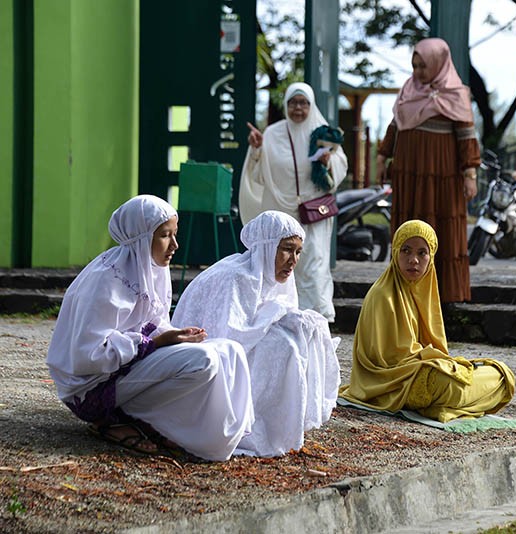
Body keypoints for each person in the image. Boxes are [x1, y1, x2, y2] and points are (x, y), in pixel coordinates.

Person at [46, 195, 254, 462]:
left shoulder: (152, 268)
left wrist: (173, 336)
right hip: (93, 389)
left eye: (174, 234)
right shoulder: (106, 279)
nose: (175, 245)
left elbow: (152, 323)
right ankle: (128, 421)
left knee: (230, 350)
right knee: (204, 361)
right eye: (165, 235)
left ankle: (219, 436)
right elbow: (90, 355)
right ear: (142, 237)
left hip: (128, 367)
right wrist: (154, 343)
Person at [172, 210, 341, 457]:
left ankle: (279, 428)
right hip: (208, 368)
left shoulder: (278, 279)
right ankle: (251, 426)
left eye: (297, 252)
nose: (293, 260)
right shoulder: (236, 277)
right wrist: (277, 317)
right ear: (266, 246)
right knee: (284, 347)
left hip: (242, 351)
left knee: (301, 336)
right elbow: (227, 338)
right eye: (286, 249)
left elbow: (276, 315)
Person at [339, 220, 515, 423]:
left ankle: (444, 403)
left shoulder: (424, 291)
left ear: (431, 258)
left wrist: (442, 363)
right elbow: (390, 359)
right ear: (395, 252)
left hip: (424, 369)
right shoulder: (382, 294)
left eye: (422, 253)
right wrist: (437, 362)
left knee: (502, 375)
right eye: (406, 250)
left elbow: (434, 348)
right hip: (394, 382)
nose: (413, 260)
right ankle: (448, 401)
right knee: (449, 384)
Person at [375, 37, 481, 304]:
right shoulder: (408, 90)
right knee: (408, 227)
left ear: (438, 63)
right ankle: (404, 291)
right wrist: (382, 156)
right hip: (409, 173)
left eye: (423, 66)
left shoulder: (455, 93)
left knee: (440, 227)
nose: (419, 72)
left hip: (442, 176)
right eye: (415, 66)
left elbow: (466, 135)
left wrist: (470, 174)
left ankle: (444, 295)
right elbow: (396, 125)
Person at [239, 82, 348, 322]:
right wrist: (256, 150)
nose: (298, 108)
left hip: (313, 211)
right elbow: (258, 175)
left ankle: (313, 319)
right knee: (280, 263)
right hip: (281, 209)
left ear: (311, 105)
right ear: (286, 105)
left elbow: (340, 166)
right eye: (293, 103)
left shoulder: (323, 133)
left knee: (313, 264)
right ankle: (281, 316)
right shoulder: (272, 134)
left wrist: (329, 161)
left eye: (303, 103)